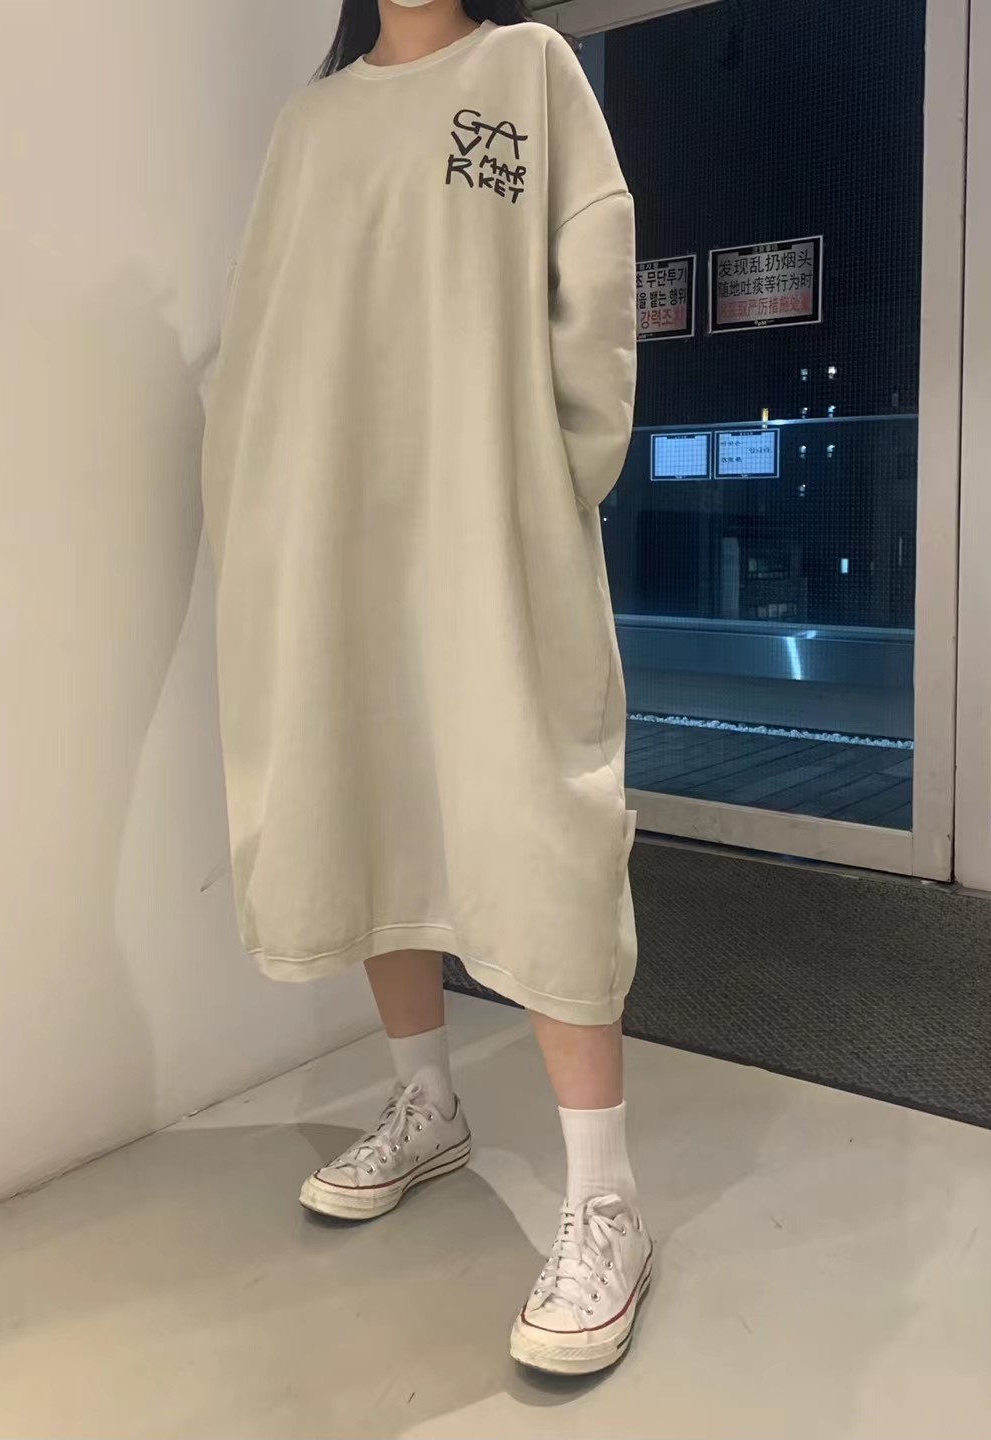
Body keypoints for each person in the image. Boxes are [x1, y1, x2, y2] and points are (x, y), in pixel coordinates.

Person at [201, 0, 650, 1376]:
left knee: (544, 824)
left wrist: (548, 483)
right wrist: (260, 509)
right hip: (342, 532)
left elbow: (597, 292)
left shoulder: (528, 71)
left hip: (491, 531)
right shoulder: (314, 123)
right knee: (373, 794)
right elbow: (264, 334)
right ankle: (426, 1104)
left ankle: (606, 1200)